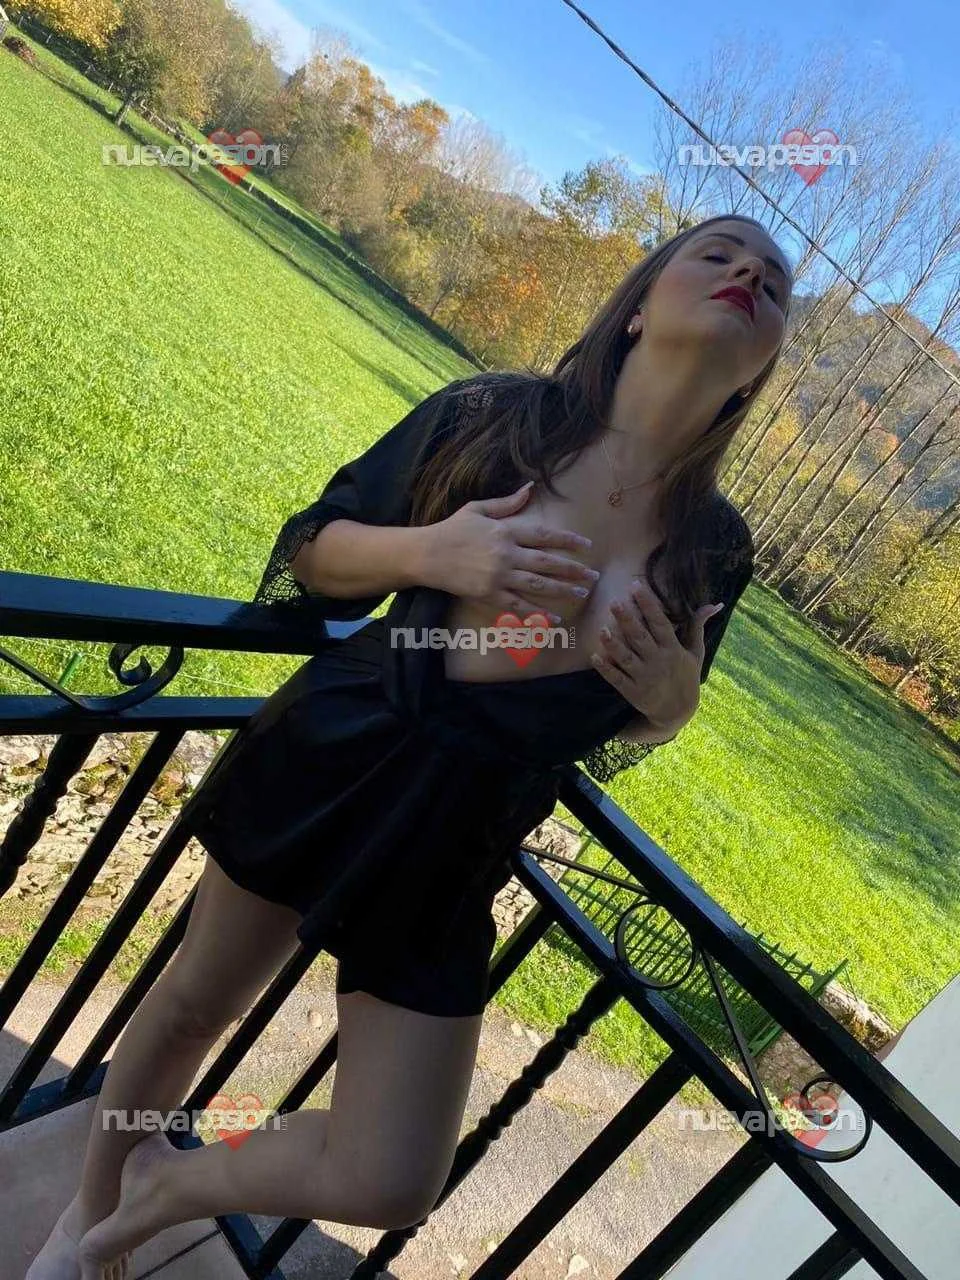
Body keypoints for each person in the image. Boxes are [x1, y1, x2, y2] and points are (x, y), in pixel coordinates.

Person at [28, 212, 793, 1279]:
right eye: (719, 252)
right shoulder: (497, 417)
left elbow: (638, 715)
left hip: (460, 838)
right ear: (637, 307)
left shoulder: (715, 549)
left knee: (390, 1174)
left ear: (757, 373)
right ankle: (89, 1216)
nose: (749, 270)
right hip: (340, 749)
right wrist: (435, 552)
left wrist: (675, 707)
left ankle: (172, 1184)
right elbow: (312, 553)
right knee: (198, 999)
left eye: (773, 281)